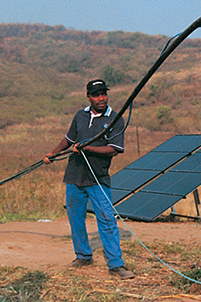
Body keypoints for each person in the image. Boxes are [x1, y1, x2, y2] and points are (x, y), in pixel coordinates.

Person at [42, 79, 134, 279]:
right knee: (76, 219)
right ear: (88, 97)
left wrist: (88, 147)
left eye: (103, 94)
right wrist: (52, 153)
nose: (101, 98)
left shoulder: (115, 119)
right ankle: (83, 255)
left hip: (98, 177)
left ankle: (116, 265)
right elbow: (69, 139)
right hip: (75, 175)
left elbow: (114, 150)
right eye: (96, 95)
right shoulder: (80, 116)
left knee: (107, 220)